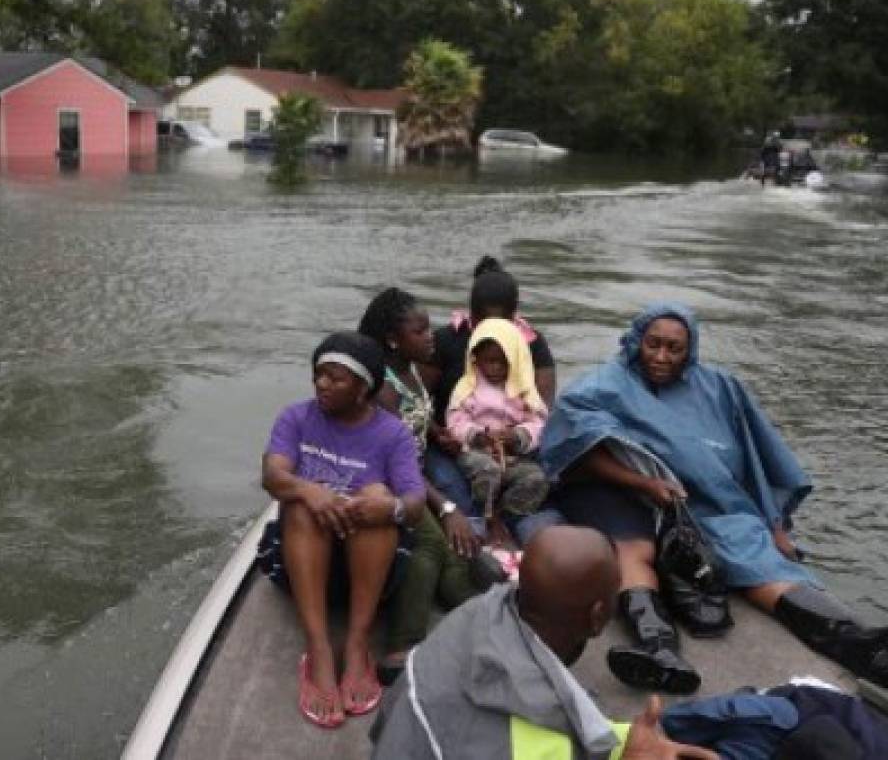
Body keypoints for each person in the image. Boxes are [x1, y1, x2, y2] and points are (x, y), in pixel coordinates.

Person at [537, 303, 888, 695]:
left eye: (674, 348)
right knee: (634, 552)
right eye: (653, 345)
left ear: (691, 350)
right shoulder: (601, 388)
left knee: (759, 562)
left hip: (717, 506)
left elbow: (756, 458)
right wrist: (643, 483)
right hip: (637, 502)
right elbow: (572, 450)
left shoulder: (720, 387)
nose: (661, 357)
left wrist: (774, 524)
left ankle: (861, 646)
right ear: (637, 340)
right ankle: (661, 649)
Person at [370, 525, 720, 759]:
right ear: (598, 616)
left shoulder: (475, 614)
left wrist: (620, 744)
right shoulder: (537, 746)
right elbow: (533, 740)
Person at [260, 331, 427, 729]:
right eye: (319, 374)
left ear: (363, 389)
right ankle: (318, 651)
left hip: (370, 570)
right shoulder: (296, 418)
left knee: (375, 497)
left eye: (335, 378)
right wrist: (309, 490)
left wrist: (387, 507)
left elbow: (416, 505)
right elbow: (272, 474)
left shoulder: (393, 434)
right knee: (300, 506)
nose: (322, 384)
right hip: (300, 564)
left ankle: (356, 646)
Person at [356, 289, 502, 686]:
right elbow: (393, 458)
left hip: (416, 476)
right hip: (387, 483)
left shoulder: (413, 370)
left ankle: (484, 613)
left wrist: (438, 434)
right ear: (392, 339)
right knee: (433, 544)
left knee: (459, 552)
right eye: (419, 330)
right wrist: (447, 508)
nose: (431, 335)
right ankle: (400, 646)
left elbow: (418, 419)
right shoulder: (382, 388)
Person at [424, 256, 557, 521]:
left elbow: (541, 413)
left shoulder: (532, 345)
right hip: (456, 446)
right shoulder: (446, 340)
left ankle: (504, 522)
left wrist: (517, 438)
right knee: (460, 493)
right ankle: (482, 523)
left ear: (514, 314)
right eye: (481, 319)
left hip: (516, 452)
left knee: (542, 480)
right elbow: (419, 401)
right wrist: (446, 435)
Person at [445, 318, 549, 542]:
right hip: (477, 453)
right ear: (476, 359)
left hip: (513, 457)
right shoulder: (467, 387)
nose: (495, 368)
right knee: (487, 471)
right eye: (489, 361)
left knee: (536, 478)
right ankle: (487, 518)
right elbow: (455, 422)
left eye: (502, 362)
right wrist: (478, 435)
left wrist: (518, 435)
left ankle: (506, 514)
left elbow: (539, 423)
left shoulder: (523, 387)